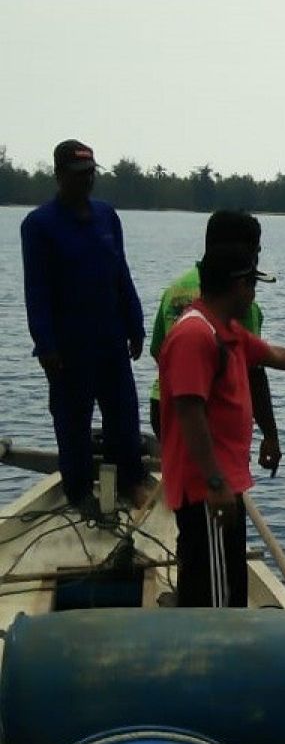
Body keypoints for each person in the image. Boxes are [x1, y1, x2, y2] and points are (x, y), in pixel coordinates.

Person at [158, 244, 285, 607]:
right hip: (205, 492)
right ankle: (209, 656)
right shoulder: (195, 335)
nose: (254, 294)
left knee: (227, 592)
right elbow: (189, 412)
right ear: (238, 286)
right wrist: (214, 483)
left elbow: (271, 354)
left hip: (223, 486)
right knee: (212, 602)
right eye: (252, 285)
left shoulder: (225, 331)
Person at [20, 139, 149, 509]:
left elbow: (121, 274)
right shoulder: (39, 225)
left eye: (91, 173)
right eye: (78, 175)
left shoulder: (107, 216)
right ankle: (78, 491)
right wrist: (45, 344)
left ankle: (130, 480)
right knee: (72, 421)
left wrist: (135, 324)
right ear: (59, 176)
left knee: (123, 414)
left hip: (111, 338)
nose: (86, 181)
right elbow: (37, 290)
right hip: (68, 346)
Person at [149, 211, 281, 475]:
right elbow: (253, 371)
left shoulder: (175, 289)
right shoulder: (236, 301)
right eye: (256, 251)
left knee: (187, 493)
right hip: (210, 416)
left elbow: (158, 350)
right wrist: (270, 435)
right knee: (217, 497)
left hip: (162, 405)